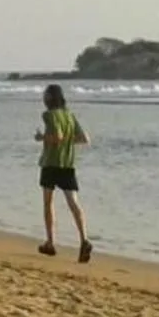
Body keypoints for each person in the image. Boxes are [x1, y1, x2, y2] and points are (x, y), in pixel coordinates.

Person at [34, 83, 91, 262]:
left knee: (48, 203)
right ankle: (84, 239)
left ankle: (50, 242)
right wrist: (67, 141)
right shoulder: (69, 115)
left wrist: (42, 138)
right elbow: (84, 139)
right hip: (68, 163)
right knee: (73, 203)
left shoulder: (49, 115)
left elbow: (56, 137)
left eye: (45, 96)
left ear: (50, 98)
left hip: (51, 163)